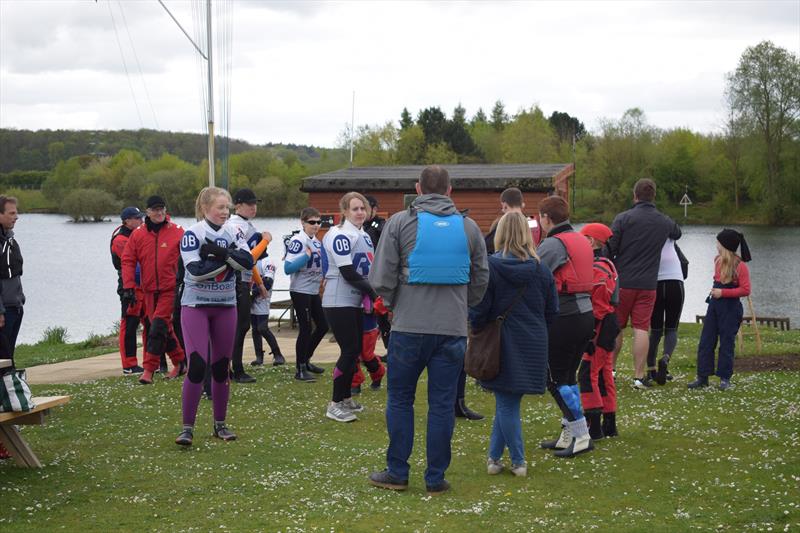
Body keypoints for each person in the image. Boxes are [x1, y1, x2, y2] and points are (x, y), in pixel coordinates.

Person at [367, 165, 489, 495]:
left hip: (408, 327)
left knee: (401, 400)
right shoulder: (469, 227)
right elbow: (481, 278)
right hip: (451, 330)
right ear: (450, 191)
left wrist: (396, 304)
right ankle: (435, 478)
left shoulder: (399, 223)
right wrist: (462, 305)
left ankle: (397, 472)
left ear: (418, 189)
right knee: (442, 404)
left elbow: (380, 278)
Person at [470, 212, 558, 477]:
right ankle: (494, 459)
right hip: (532, 341)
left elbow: (480, 307)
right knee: (507, 402)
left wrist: (475, 328)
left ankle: (518, 461)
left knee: (506, 404)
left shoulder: (492, 267)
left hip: (501, 341)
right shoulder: (541, 269)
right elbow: (552, 309)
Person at [175, 187, 255, 445]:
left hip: (226, 305)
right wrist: (231, 258)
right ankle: (187, 428)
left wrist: (221, 254)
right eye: (220, 207)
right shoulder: (193, 234)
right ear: (205, 208)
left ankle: (220, 424)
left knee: (222, 367)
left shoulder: (233, 231)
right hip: (196, 305)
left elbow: (248, 262)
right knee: (197, 365)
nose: (225, 211)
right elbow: (196, 272)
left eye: (227, 207)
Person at [606, 178, 682, 389]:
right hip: (648, 284)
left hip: (623, 282)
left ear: (635, 196)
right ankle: (639, 376)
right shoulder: (663, 221)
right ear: (653, 196)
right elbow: (677, 233)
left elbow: (610, 248)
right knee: (641, 328)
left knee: (617, 327)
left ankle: (610, 371)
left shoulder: (623, 218)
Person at [537, 195, 596, 457]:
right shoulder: (581, 239)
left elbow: (534, 275)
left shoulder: (553, 244)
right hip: (585, 314)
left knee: (554, 379)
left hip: (565, 316)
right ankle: (569, 433)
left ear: (546, 219)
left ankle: (582, 434)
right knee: (569, 377)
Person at [320, 192, 377, 422]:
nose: (360, 212)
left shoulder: (362, 234)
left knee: (353, 351)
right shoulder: (339, 234)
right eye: (355, 209)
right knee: (350, 350)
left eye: (362, 208)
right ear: (344, 211)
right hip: (338, 298)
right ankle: (334, 403)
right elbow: (348, 272)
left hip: (353, 299)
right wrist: (374, 294)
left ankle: (344, 398)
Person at [121, 195, 186, 385]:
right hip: (148, 290)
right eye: (154, 209)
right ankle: (180, 362)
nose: (159, 212)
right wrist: (129, 287)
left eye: (161, 209)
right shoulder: (138, 234)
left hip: (170, 288)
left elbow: (190, 255)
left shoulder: (178, 231)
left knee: (157, 326)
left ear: (165, 210)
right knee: (164, 328)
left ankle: (148, 370)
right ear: (147, 212)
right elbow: (128, 260)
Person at [688, 229, 751, 391]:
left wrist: (723, 292)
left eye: (718, 242)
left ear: (724, 245)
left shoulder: (740, 266)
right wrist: (715, 292)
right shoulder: (717, 261)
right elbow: (717, 282)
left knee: (727, 343)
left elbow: (745, 290)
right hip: (715, 307)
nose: (716, 245)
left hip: (731, 309)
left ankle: (724, 379)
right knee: (706, 341)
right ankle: (702, 377)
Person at [577, 223, 620, 439]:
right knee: (604, 374)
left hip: (599, 327)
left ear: (592, 241)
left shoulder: (596, 268)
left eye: (582, 238)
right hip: (610, 325)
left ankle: (593, 426)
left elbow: (599, 306)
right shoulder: (609, 265)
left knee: (587, 374)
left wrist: (589, 332)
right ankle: (609, 423)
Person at [224, 188, 271, 384]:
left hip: (243, 280)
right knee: (240, 326)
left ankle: (232, 367)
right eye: (249, 204)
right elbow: (248, 258)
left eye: (255, 203)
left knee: (241, 326)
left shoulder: (246, 224)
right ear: (238, 206)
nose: (254, 207)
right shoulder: (235, 225)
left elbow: (250, 262)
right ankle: (235, 368)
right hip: (235, 280)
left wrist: (259, 282)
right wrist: (266, 240)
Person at [283, 207, 327, 382]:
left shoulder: (317, 241)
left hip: (313, 290)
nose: (316, 225)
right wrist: (304, 258)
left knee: (323, 326)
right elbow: (288, 268)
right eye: (312, 222)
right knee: (306, 328)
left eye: (318, 222)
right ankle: (300, 369)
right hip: (300, 290)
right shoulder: (298, 240)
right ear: (303, 222)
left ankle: (306, 359)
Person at [111, 206, 146, 375]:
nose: (141, 221)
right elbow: (134, 260)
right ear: (127, 221)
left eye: (141, 217)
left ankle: (150, 360)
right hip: (128, 287)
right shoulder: (120, 240)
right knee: (130, 325)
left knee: (149, 323)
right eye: (137, 218)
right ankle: (129, 364)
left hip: (144, 285)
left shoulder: (136, 235)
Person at [647, 238, 685, 385]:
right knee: (672, 328)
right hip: (675, 282)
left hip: (655, 284)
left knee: (655, 331)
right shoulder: (671, 237)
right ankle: (665, 358)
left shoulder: (647, 239)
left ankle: (651, 370)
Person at [249, 253, 286, 366]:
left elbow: (268, 282)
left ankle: (278, 354)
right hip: (250, 299)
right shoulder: (249, 259)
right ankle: (259, 356)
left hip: (262, 299)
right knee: (255, 329)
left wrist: (251, 294)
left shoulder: (268, 261)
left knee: (262, 328)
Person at [0, 196, 24, 364]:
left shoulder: (10, 239)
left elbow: (15, 274)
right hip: (4, 310)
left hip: (15, 306)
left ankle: (9, 390)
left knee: (9, 358)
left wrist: (21, 299)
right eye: (12, 213)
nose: (16, 217)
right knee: (3, 359)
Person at [484, 187, 543, 255]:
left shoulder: (501, 225)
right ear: (522, 204)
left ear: (505, 205)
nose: (502, 210)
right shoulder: (533, 223)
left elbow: (487, 248)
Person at [350, 299, 387, 395]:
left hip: (368, 326)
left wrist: (373, 308)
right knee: (351, 355)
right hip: (349, 320)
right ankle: (354, 383)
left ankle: (378, 374)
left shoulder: (371, 285)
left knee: (367, 356)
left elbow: (380, 300)